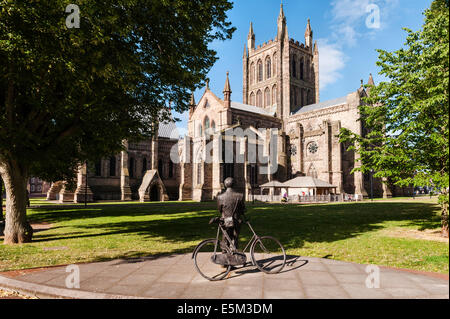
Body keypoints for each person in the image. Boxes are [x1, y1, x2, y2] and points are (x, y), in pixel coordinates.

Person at [216, 177, 246, 252]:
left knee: (225, 238)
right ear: (234, 184)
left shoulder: (220, 197)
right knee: (235, 238)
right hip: (236, 220)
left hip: (225, 220)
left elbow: (220, 210)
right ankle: (234, 255)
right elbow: (243, 209)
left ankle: (224, 255)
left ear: (225, 185)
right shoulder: (240, 196)